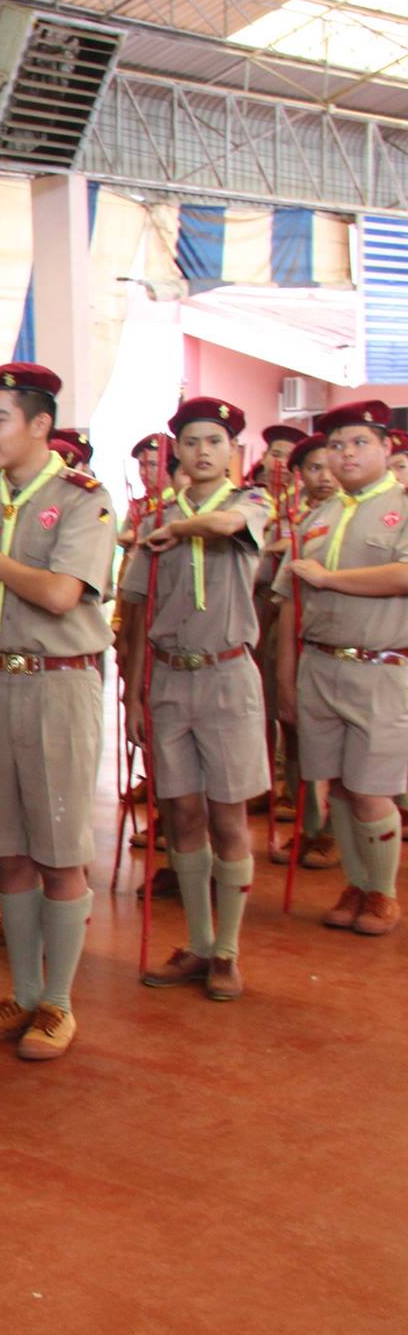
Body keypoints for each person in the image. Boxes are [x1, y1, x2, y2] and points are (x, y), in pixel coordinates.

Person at [0, 364, 116, 1060]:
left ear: (40, 424)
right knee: (7, 850)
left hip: (57, 685)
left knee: (59, 851)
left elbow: (60, 594)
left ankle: (58, 1003)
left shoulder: (82, 499)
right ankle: (21, 992)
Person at [121, 398, 272, 1000]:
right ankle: (199, 943)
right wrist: (134, 693)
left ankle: (228, 951)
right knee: (181, 814)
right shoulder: (155, 516)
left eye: (215, 441)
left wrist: (179, 530)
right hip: (168, 679)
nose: (203, 451)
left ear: (232, 450)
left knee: (228, 815)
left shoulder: (251, 503)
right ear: (176, 451)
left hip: (227, 675)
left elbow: (227, 528)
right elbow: (137, 613)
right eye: (191, 442)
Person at [274, 399, 408, 937]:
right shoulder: (317, 516)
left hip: (380, 668)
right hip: (320, 666)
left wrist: (330, 579)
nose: (346, 454)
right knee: (340, 789)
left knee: (372, 789)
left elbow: (403, 575)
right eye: (336, 445)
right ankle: (356, 883)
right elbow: (290, 600)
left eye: (359, 443)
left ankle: (382, 893)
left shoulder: (403, 505)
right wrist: (286, 680)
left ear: (386, 447)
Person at [266, 434, 341, 868]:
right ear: (300, 475)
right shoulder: (300, 521)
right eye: (314, 468)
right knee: (295, 733)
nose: (325, 476)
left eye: (330, 465)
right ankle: (309, 823)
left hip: (340, 643)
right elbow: (284, 597)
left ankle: (333, 831)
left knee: (334, 743)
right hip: (294, 636)